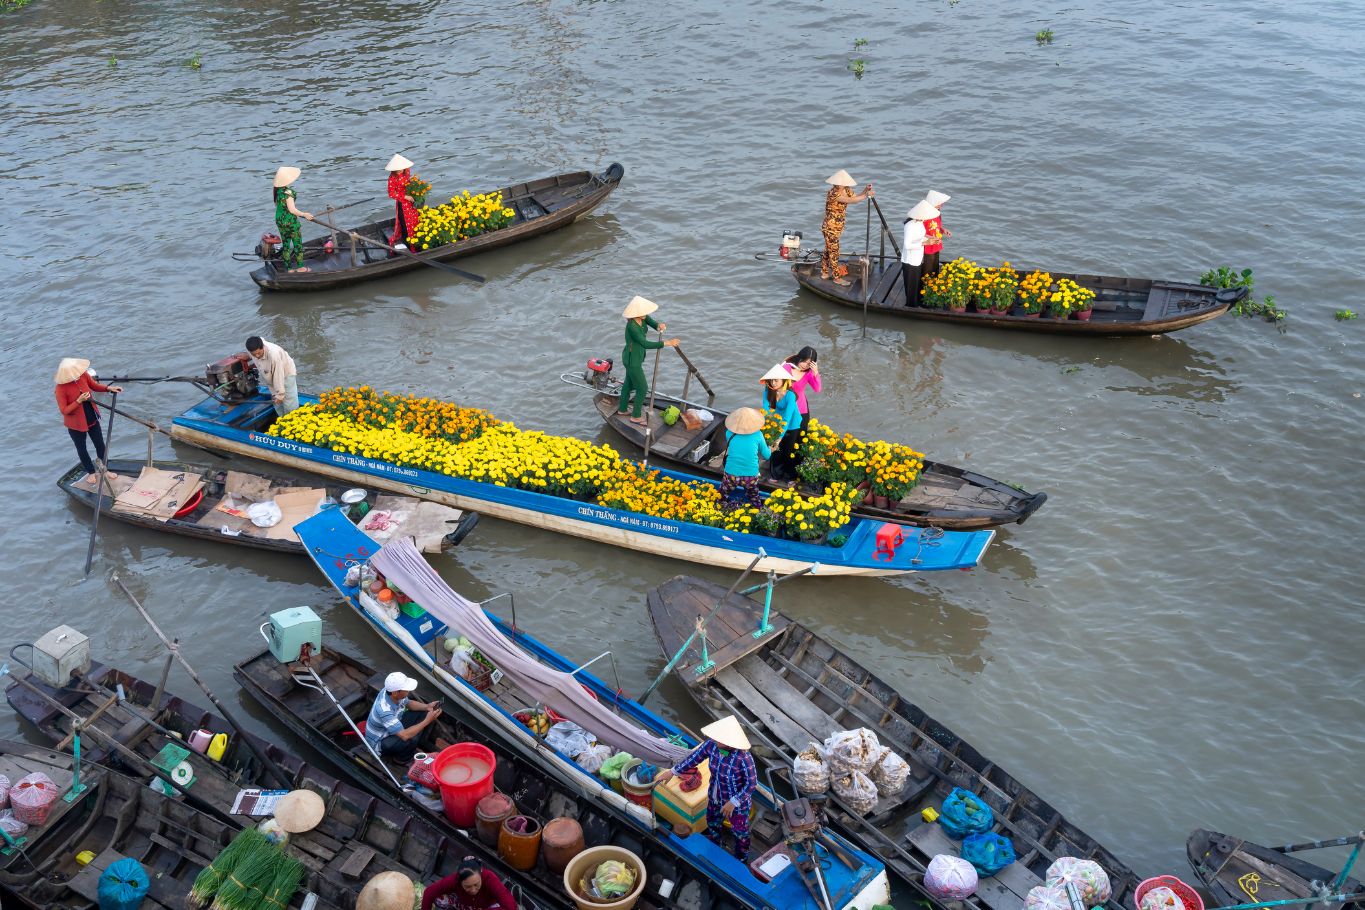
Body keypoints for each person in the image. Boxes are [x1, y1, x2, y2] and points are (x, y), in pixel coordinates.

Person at [655, 716, 758, 862]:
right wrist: (672, 772)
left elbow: (751, 785)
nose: (713, 738)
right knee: (712, 820)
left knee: (740, 832)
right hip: (715, 795)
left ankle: (742, 858)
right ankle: (716, 841)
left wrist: (733, 802)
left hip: (736, 805)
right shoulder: (711, 745)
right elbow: (694, 758)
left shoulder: (744, 758)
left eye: (718, 738)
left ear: (729, 742)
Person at [55, 358, 124, 484]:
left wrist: (109, 389)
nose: (77, 374)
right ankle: (91, 472)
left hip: (91, 417)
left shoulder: (83, 375)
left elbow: (94, 386)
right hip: (75, 424)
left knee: (100, 444)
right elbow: (64, 410)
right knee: (82, 448)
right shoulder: (60, 389)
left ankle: (105, 469)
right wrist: (78, 401)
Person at [617, 295, 679, 427]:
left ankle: (622, 409)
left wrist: (659, 326)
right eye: (643, 312)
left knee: (628, 383)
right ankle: (636, 416)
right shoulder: (632, 327)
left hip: (635, 358)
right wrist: (666, 343)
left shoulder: (642, 318)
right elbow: (644, 343)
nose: (646, 314)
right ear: (636, 314)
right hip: (632, 360)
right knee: (642, 387)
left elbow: (652, 322)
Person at [364, 671, 443, 763]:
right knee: (410, 739)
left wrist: (427, 706)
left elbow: (408, 703)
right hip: (380, 742)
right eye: (406, 690)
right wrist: (427, 721)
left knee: (424, 712)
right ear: (395, 693)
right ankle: (402, 759)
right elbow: (404, 735)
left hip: (392, 726)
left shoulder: (390, 693)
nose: (408, 691)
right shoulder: (384, 711)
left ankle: (411, 745)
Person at [820, 170, 874, 286]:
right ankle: (836, 277)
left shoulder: (847, 190)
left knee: (829, 249)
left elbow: (856, 197)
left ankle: (824, 272)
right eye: (841, 184)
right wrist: (866, 196)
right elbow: (850, 201)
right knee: (834, 252)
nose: (842, 186)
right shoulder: (833, 194)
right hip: (830, 227)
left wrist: (865, 191)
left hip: (838, 227)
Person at [719, 407, 769, 513]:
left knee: (722, 495)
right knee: (754, 497)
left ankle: (721, 508)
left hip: (731, 473)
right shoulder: (758, 434)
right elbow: (767, 455)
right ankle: (757, 510)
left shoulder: (729, 433)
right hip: (750, 476)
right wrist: (772, 449)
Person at [422, 857, 518, 910]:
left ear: (481, 874)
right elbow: (429, 892)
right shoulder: (455, 879)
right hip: (465, 905)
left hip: (487, 907)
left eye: (477, 884)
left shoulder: (489, 877)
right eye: (467, 886)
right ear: (460, 882)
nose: (473, 890)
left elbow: (511, 906)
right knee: (438, 898)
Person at [759, 364, 802, 482]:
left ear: (784, 380)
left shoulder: (790, 395)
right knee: (775, 449)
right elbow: (766, 411)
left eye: (776, 380)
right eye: (771, 380)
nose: (773, 382)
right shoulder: (768, 390)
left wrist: (779, 437)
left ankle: (790, 476)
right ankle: (776, 474)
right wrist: (767, 427)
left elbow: (787, 419)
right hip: (777, 421)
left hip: (792, 424)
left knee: (788, 450)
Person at [273, 166, 314, 273]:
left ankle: (289, 268)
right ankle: (301, 267)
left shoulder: (277, 192)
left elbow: (280, 207)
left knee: (286, 244)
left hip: (280, 221)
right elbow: (292, 210)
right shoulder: (288, 193)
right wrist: (304, 214)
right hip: (290, 222)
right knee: (297, 244)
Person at [246, 336, 299, 416]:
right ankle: (282, 420)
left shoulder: (274, 355)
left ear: (263, 347)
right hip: (269, 374)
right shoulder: (252, 349)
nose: (256, 356)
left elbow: (278, 376)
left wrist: (280, 395)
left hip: (285, 374)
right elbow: (253, 353)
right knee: (277, 403)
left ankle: (293, 420)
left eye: (259, 353)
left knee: (289, 404)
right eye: (254, 354)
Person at [901, 200, 937, 306]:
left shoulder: (920, 223)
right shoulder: (910, 226)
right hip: (910, 260)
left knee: (916, 284)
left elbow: (921, 235)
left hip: (917, 258)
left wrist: (931, 238)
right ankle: (911, 306)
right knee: (911, 286)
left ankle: (916, 303)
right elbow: (907, 245)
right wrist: (926, 243)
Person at [782, 346, 820, 432]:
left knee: (800, 437)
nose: (805, 365)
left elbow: (817, 389)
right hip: (786, 406)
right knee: (784, 436)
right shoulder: (786, 367)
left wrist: (816, 373)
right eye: (804, 361)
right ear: (800, 357)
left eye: (809, 364)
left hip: (801, 408)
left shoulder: (809, 373)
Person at [387, 154, 421, 247]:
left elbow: (408, 182)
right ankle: (408, 242)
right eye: (399, 169)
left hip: (411, 198)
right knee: (405, 223)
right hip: (402, 202)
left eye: (402, 168)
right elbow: (391, 194)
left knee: (414, 218)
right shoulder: (392, 178)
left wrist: (414, 180)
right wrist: (405, 197)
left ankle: (416, 238)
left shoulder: (406, 170)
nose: (401, 170)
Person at [921, 189, 952, 277]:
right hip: (928, 244)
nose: (941, 205)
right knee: (928, 268)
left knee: (935, 266)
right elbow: (919, 231)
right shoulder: (924, 215)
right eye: (938, 203)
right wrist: (930, 238)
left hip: (936, 243)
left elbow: (937, 226)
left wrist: (943, 230)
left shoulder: (937, 213)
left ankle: (933, 283)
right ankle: (926, 286)